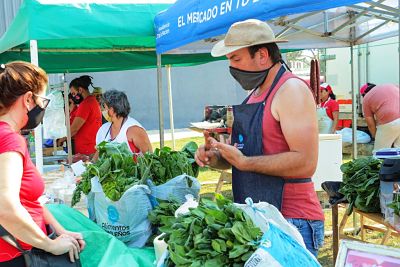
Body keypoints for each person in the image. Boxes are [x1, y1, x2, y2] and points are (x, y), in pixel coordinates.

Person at [195, 19, 324, 257]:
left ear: (262, 55)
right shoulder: (255, 94)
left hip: (291, 220)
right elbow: (246, 154)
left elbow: (306, 162)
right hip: (257, 218)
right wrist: (217, 156)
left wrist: (245, 162)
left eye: (236, 59)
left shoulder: (290, 90)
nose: (231, 67)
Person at [0, 61, 85, 266]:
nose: (42, 108)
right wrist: (49, 244)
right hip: (16, 256)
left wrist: (60, 231)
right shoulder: (9, 139)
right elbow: (5, 206)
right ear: (28, 99)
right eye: (42, 101)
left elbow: (30, 199)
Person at [95, 90, 152, 159]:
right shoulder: (103, 129)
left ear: (112, 110)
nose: (102, 110)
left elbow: (149, 156)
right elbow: (97, 158)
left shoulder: (134, 129)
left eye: (104, 107)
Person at [57, 75, 102, 157]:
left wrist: (62, 139)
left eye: (74, 93)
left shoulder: (85, 104)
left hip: (87, 150)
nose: (73, 96)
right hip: (91, 147)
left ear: (80, 90)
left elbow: (74, 129)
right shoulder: (93, 101)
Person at [360, 83, 400, 151]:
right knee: (398, 151)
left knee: (379, 152)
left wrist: (376, 137)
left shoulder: (366, 99)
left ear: (364, 94)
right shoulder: (390, 85)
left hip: (389, 121)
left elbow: (370, 123)